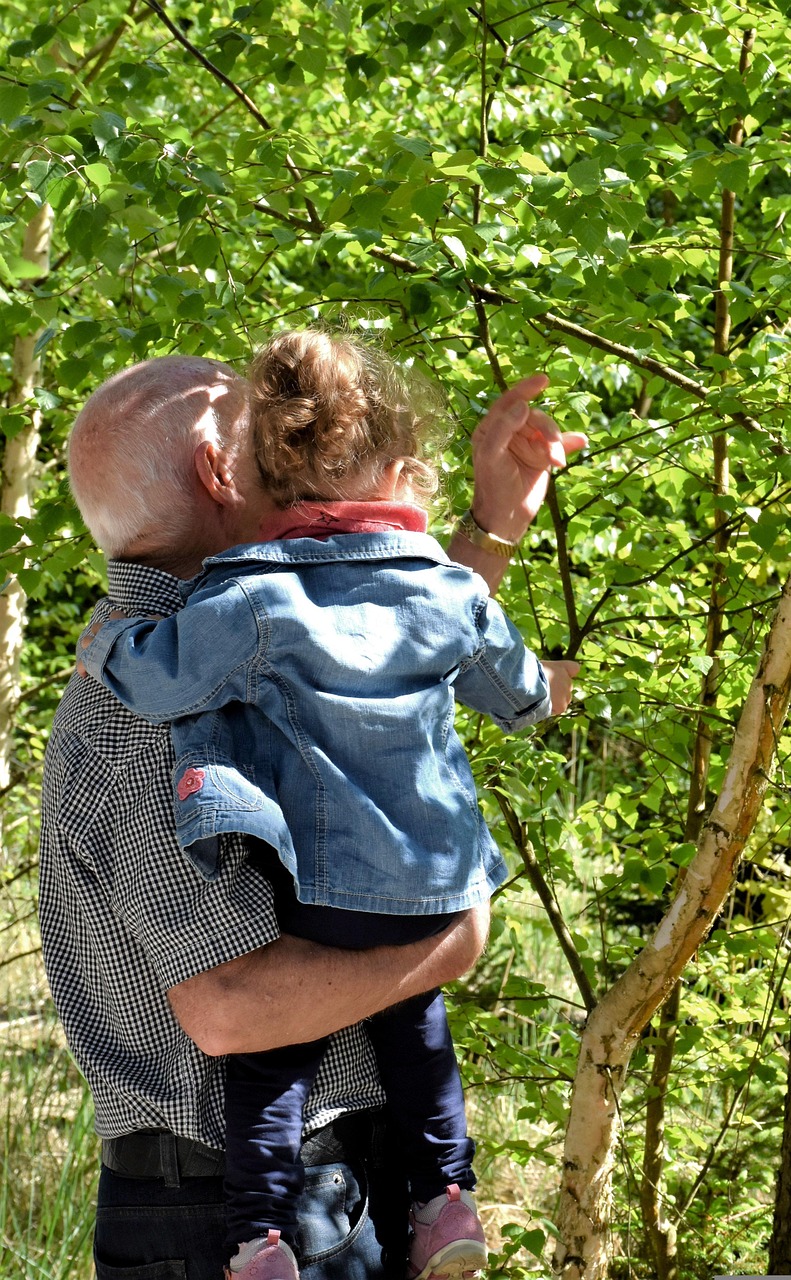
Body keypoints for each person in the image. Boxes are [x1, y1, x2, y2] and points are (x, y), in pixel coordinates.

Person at [41, 346, 585, 1280]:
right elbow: (232, 1006)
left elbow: (382, 638)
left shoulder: (212, 637)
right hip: (236, 1214)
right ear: (222, 470)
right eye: (271, 431)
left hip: (296, 1197)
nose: (305, 444)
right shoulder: (155, 705)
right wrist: (450, 939)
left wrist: (491, 526)